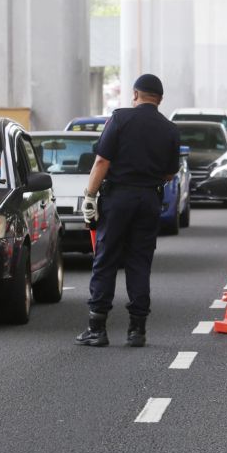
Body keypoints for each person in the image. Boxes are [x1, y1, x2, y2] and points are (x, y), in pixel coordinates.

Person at [75, 74, 181, 347]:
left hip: (118, 198)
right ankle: (137, 330)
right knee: (140, 262)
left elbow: (101, 161)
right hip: (149, 200)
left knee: (106, 258)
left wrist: (90, 195)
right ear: (159, 99)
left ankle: (97, 329)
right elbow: (170, 174)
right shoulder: (170, 129)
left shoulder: (120, 119)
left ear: (135, 94)